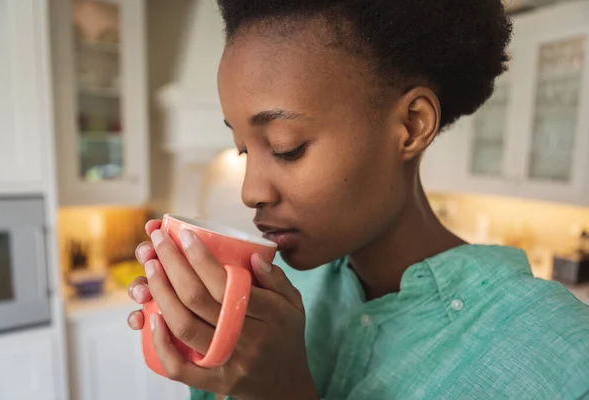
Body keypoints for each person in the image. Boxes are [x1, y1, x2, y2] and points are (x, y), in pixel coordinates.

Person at [127, 0, 589, 398]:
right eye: (244, 149)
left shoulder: (564, 359)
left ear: (411, 125)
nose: (251, 191)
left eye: (287, 147)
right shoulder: (273, 299)